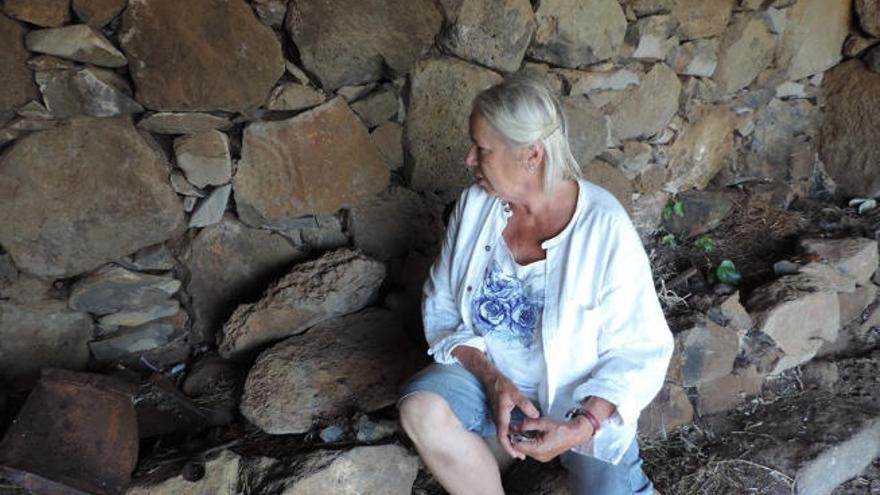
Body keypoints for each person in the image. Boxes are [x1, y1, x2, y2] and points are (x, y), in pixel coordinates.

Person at [397, 74, 673, 495]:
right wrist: (493, 380)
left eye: (482, 149)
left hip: (577, 403)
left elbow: (640, 350)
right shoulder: (475, 207)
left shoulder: (603, 225)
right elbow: (444, 304)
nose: (469, 159)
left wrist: (583, 426)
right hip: (488, 382)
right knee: (422, 410)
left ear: (531, 155)